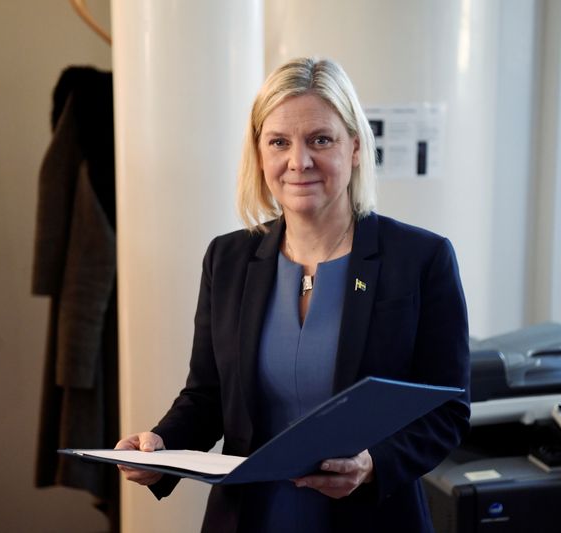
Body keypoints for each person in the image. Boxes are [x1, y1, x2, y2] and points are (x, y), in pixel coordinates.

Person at [116, 57, 470, 533]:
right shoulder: (228, 259)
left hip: (373, 518)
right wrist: (160, 446)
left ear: (356, 147)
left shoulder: (421, 259)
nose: (298, 161)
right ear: (260, 153)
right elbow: (207, 396)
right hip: (251, 518)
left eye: (320, 140)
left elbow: (447, 409)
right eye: (279, 142)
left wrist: (374, 464)